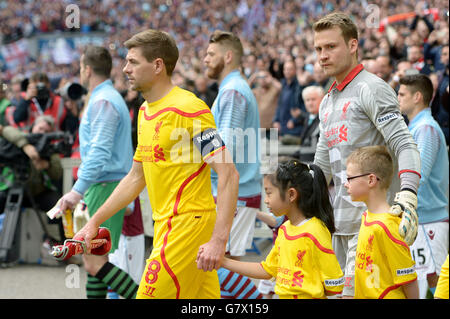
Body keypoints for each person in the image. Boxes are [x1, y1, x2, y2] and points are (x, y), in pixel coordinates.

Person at [75, 29, 239, 299]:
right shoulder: (144, 110)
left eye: (133, 62)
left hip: (188, 225)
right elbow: (135, 177)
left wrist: (219, 240)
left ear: (158, 65)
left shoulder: (189, 108)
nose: (125, 69)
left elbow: (228, 173)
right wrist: (95, 221)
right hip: (166, 224)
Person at [312, 12, 422, 298]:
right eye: (319, 49)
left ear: (352, 45)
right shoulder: (326, 101)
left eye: (331, 47)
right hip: (338, 225)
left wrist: (408, 194)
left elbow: (404, 143)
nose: (323, 55)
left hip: (371, 227)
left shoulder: (371, 88)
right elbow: (321, 166)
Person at [57, 45, 139, 299]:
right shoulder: (106, 97)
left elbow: (100, 153)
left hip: (105, 185)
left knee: (94, 262)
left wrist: (76, 191)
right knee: (94, 262)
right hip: (108, 184)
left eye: (81, 68)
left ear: (87, 69)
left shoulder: (104, 101)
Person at [221, 160, 344, 299]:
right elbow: (267, 270)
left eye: (269, 193)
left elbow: (334, 286)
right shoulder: (285, 229)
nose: (266, 200)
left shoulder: (315, 231)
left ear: (291, 195)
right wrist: (223, 261)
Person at [204, 30, 261, 260]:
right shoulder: (233, 88)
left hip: (233, 192)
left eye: (210, 54)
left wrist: (194, 144)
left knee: (221, 268)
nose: (205, 59)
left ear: (228, 57)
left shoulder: (232, 91)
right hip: (235, 191)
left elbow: (224, 149)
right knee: (222, 269)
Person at [397, 74, 449, 298]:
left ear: (417, 97)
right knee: (424, 277)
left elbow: (421, 174)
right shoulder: (416, 127)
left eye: (401, 94)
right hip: (421, 216)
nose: (397, 98)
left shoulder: (426, 128)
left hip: (431, 218)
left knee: (436, 278)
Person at [345, 145, 419, 299]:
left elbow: (408, 279)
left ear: (371, 180)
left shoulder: (388, 225)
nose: (346, 184)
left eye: (350, 178)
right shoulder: (367, 216)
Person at [272, 59, 305, 143]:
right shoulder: (283, 85)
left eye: (290, 69)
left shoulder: (300, 86)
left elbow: (303, 107)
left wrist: (295, 120)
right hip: (282, 126)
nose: (287, 71)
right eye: (285, 69)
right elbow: (279, 105)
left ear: (295, 70)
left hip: (294, 128)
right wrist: (276, 120)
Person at [292, 85, 323, 162]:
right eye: (307, 100)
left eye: (313, 99)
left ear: (322, 100)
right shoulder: (308, 117)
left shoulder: (323, 118)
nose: (310, 103)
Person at [250, 69, 281, 139]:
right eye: (260, 78)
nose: (262, 80)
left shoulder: (274, 89)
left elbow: (281, 88)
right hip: (260, 128)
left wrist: (271, 79)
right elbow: (245, 90)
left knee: (273, 148)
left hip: (272, 127)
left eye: (265, 77)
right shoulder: (256, 91)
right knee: (262, 148)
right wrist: (253, 77)